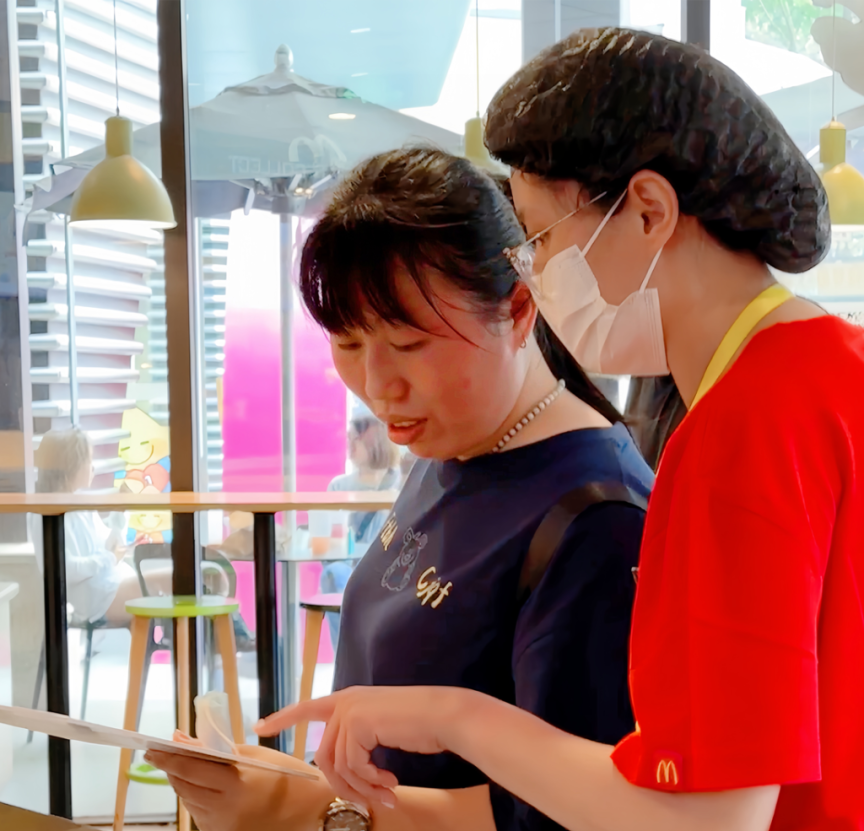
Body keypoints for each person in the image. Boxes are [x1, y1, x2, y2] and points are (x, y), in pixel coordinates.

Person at [249, 27, 864, 831]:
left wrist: (452, 717)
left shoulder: (741, 428)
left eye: (541, 241)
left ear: (649, 210)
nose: (536, 278)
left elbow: (708, 820)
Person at [146, 146, 653, 831]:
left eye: (409, 344)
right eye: (348, 343)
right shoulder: (448, 446)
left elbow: (566, 816)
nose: (378, 386)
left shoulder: (597, 521)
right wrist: (294, 789)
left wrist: (310, 808)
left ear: (518, 309)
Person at [35, 428, 172, 625]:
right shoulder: (44, 513)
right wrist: (109, 558)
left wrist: (120, 510)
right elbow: (66, 569)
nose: (93, 467)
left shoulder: (80, 502)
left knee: (173, 578)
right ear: (71, 465)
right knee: (174, 578)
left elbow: (109, 547)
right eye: (89, 460)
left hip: (110, 584)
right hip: (97, 598)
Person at [321, 412, 402, 647]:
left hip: (389, 570)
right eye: (348, 439)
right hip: (349, 568)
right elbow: (325, 539)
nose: (349, 445)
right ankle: (347, 657)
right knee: (335, 574)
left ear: (374, 441)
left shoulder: (401, 482)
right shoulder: (338, 486)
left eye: (355, 439)